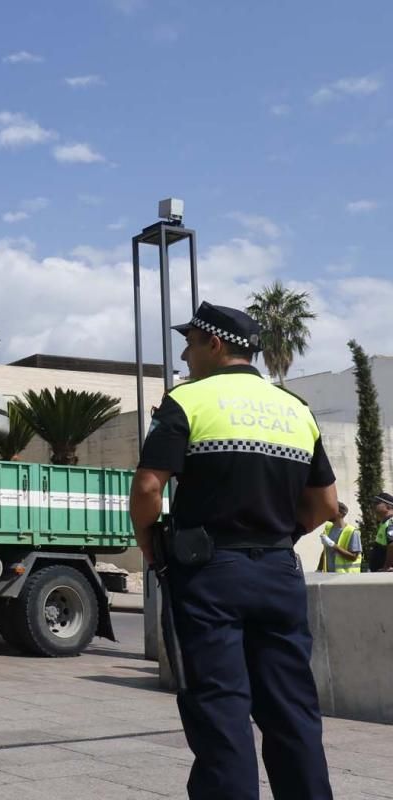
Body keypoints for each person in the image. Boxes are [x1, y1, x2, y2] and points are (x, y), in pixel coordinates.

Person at [130, 302, 337, 800]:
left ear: (215, 345)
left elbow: (147, 488)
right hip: (278, 574)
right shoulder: (296, 409)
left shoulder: (190, 401)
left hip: (209, 575)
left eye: (191, 343)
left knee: (219, 712)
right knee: (292, 710)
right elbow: (326, 503)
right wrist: (283, 537)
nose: (185, 353)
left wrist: (151, 546)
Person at [319, 502, 361, 573]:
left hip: (346, 577)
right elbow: (325, 552)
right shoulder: (328, 528)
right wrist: (319, 569)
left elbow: (353, 557)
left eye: (331, 510)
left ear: (340, 514)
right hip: (328, 575)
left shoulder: (352, 532)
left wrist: (333, 545)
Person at [369, 492, 393, 572]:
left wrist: (387, 566)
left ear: (389, 506)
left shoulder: (391, 522)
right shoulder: (385, 523)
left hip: (386, 574)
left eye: (377, 503)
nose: (373, 506)